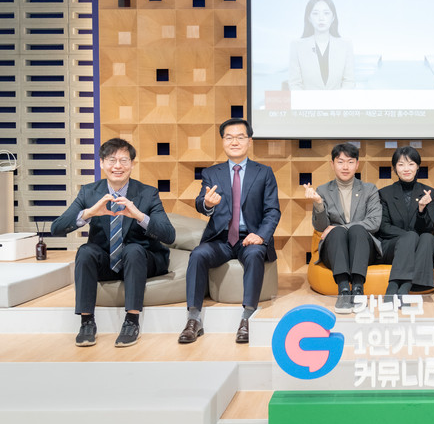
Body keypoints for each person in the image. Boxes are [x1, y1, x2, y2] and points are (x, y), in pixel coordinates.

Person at [51, 138, 175, 347]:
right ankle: (87, 322)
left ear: (132, 164)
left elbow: (169, 235)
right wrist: (89, 213)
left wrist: (139, 215)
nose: (118, 166)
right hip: (106, 262)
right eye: (111, 160)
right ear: (101, 163)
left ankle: (132, 321)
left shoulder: (148, 193)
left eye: (124, 160)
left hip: (140, 261)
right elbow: (57, 228)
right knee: (85, 251)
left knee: (133, 250)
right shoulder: (89, 192)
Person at [178, 119, 280, 345]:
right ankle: (193, 319)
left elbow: (272, 210)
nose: (235, 142)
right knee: (198, 254)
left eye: (240, 137)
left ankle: (247, 317)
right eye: (229, 137)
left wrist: (261, 235)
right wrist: (208, 204)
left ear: (249, 141)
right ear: (223, 141)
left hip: (250, 237)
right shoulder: (211, 173)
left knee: (255, 254)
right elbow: (200, 203)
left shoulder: (264, 172)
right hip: (220, 239)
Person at [304, 142, 382, 314]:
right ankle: (344, 290)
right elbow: (321, 227)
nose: (345, 167)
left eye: (350, 162)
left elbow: (374, 222)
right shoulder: (323, 190)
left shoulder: (369, 190)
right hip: (334, 251)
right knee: (337, 232)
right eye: (340, 162)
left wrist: (344, 227)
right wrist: (318, 203)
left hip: (363, 250)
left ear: (357, 164)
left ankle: (358, 290)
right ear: (332, 164)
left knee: (355, 230)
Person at [378, 146, 434, 304]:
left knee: (428, 238)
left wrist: (421, 210)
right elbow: (384, 227)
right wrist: (409, 237)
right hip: (392, 247)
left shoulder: (428, 192)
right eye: (401, 164)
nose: (406, 169)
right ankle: (396, 287)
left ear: (418, 167)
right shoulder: (384, 193)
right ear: (394, 168)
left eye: (411, 164)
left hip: (420, 247)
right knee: (413, 236)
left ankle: (404, 288)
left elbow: (429, 228)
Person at [289, 0, 355, 90]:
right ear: (309, 18)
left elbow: (349, 82)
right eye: (315, 13)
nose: (321, 18)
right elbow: (295, 84)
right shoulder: (297, 46)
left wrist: (338, 99)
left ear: (333, 17)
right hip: (307, 100)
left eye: (326, 13)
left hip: (338, 99)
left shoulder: (346, 45)